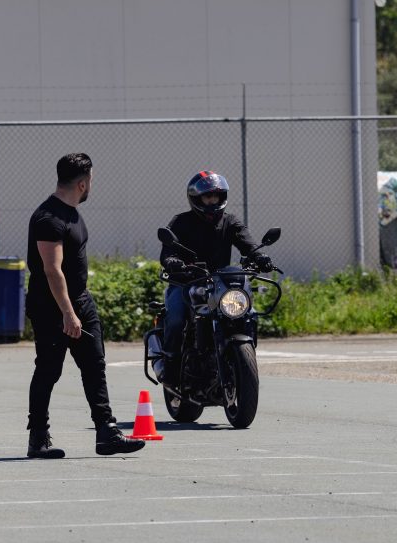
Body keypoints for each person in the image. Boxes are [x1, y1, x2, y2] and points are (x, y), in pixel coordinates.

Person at [25, 153, 145, 459]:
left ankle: (107, 432)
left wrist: (78, 307)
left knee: (94, 366)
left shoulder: (72, 212)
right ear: (82, 183)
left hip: (80, 300)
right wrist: (67, 312)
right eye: (91, 179)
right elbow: (52, 269)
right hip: (51, 306)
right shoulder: (49, 218)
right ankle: (38, 438)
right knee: (49, 370)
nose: (92, 184)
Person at [157, 171, 274, 384]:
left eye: (217, 196)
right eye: (207, 196)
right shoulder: (181, 222)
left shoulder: (230, 222)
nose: (212, 201)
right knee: (175, 319)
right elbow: (167, 252)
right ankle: (170, 367)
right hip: (186, 282)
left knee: (250, 313)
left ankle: (240, 362)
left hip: (221, 284)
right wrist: (173, 261)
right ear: (196, 198)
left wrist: (260, 256)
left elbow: (247, 243)